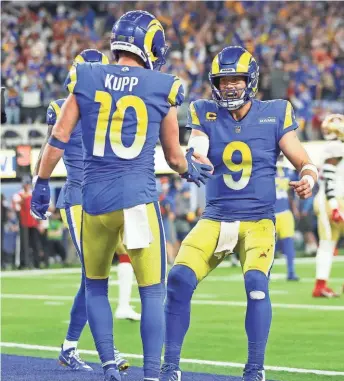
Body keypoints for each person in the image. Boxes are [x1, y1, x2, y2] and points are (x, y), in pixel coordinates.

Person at [31, 10, 212, 381]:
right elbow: (175, 156)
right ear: (150, 45)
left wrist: (40, 181)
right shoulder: (163, 84)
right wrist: (187, 167)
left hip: (92, 201)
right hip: (137, 200)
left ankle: (110, 367)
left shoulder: (86, 76)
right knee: (151, 293)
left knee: (95, 286)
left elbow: (57, 139)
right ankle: (151, 375)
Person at [160, 46, 318, 381]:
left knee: (257, 285)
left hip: (258, 222)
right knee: (177, 281)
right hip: (215, 218)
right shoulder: (204, 111)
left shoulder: (275, 112)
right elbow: (199, 146)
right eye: (224, 79)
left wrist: (308, 177)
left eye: (237, 79)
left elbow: (303, 160)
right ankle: (170, 367)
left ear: (252, 80)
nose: (230, 86)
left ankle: (254, 370)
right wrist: (196, 160)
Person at [33, 49, 129, 372]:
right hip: (76, 198)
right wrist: (40, 184)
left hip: (106, 198)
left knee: (93, 277)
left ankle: (69, 347)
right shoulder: (62, 109)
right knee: (94, 275)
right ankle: (106, 350)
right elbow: (49, 150)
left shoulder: (112, 109)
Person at [312, 114, 344, 298]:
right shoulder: (335, 147)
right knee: (327, 243)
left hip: (336, 199)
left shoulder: (336, 146)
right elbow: (330, 177)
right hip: (330, 200)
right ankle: (320, 286)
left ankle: (321, 285)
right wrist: (334, 206)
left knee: (329, 243)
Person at [274, 154, 299, 280]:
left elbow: (290, 193)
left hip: (284, 212)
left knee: (289, 244)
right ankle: (264, 273)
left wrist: (294, 208)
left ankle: (291, 271)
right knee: (267, 247)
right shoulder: (268, 171)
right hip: (270, 213)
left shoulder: (287, 172)